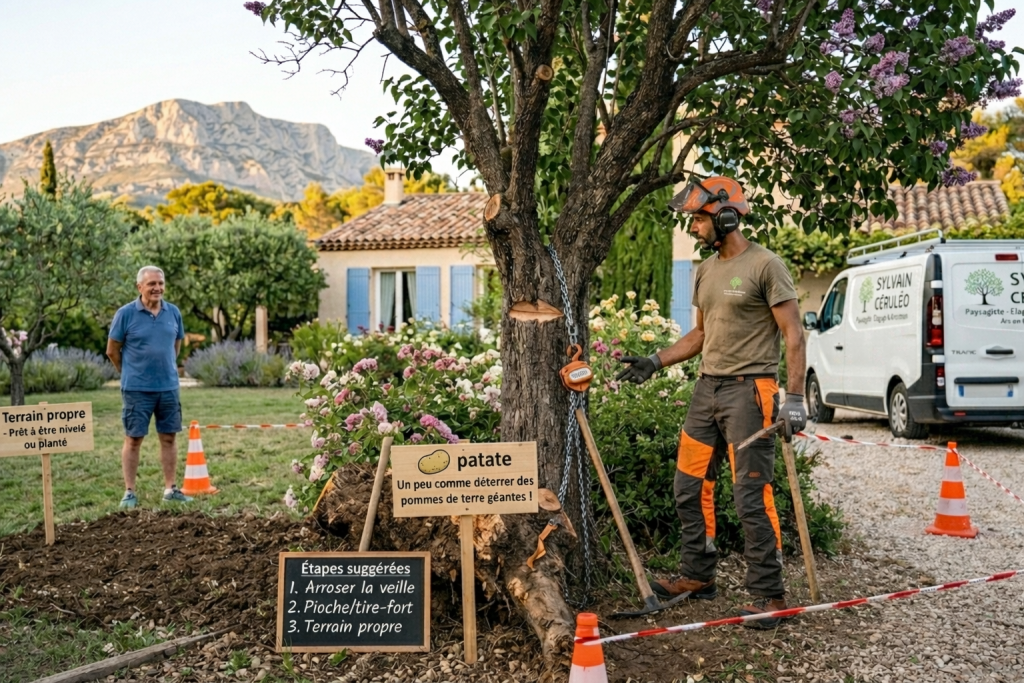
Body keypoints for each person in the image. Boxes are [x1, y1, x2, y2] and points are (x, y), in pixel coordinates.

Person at [616, 176, 807, 629]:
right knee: (689, 486)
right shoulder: (703, 270)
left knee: (750, 496)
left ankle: (769, 595)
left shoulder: (766, 265)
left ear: (726, 216)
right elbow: (700, 334)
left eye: (699, 219)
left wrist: (795, 398)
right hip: (707, 390)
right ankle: (698, 576)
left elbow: (794, 334)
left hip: (750, 392)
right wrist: (655, 360)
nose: (694, 227)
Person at [106, 265, 192, 508]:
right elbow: (112, 351)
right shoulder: (125, 314)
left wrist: (167, 369)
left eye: (160, 283)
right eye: (152, 283)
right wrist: (130, 373)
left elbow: (175, 346)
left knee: (169, 438)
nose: (157, 288)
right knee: (133, 439)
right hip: (136, 389)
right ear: (139, 287)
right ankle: (130, 492)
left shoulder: (173, 313)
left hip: (168, 388)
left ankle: (170, 489)